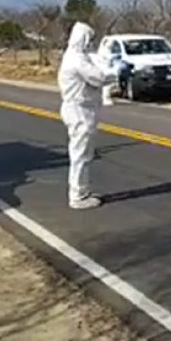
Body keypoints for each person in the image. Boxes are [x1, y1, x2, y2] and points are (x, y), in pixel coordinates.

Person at [58, 21, 122, 209]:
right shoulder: (76, 60)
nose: (91, 43)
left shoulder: (78, 57)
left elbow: (96, 65)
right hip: (79, 110)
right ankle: (77, 196)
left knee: (84, 154)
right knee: (80, 155)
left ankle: (82, 191)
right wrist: (117, 72)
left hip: (82, 109)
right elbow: (98, 78)